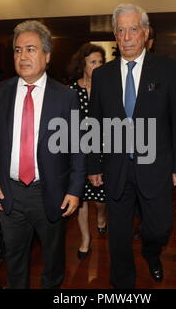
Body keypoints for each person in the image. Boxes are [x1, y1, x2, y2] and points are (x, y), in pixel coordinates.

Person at [88, 3, 176, 288]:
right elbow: (94, 122)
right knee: (118, 233)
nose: (127, 36)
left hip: (156, 165)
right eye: (120, 30)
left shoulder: (168, 68)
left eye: (133, 29)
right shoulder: (102, 75)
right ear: (115, 35)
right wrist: (93, 165)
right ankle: (123, 284)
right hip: (115, 166)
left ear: (145, 33)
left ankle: (151, 251)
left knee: (159, 227)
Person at [0, 20, 86, 289]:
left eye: (30, 49)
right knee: (15, 258)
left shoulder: (65, 97)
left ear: (47, 56)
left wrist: (74, 190)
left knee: (53, 258)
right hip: (10, 192)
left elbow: (77, 148)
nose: (23, 56)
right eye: (17, 50)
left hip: (49, 192)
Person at [68, 43, 107, 259]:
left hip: (104, 151)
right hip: (79, 153)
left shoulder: (110, 88)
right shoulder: (72, 92)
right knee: (80, 197)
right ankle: (85, 239)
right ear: (82, 64)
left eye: (101, 62)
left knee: (101, 199)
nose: (98, 66)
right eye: (93, 62)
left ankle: (101, 216)